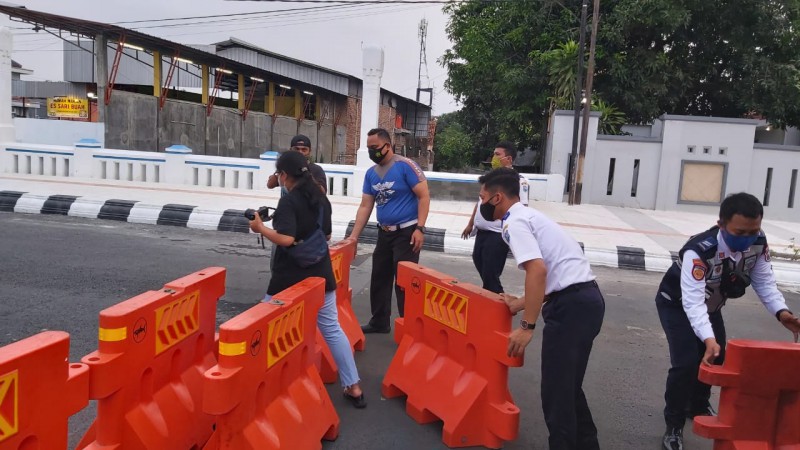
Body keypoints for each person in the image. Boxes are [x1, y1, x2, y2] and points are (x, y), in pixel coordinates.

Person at [655, 192, 800, 450]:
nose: (747, 238)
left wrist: (783, 313)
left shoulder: (758, 243)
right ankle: (673, 425)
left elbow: (764, 281)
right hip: (677, 306)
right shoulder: (699, 251)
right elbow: (692, 303)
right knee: (687, 363)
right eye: (740, 232)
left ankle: (697, 405)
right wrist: (707, 339)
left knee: (717, 357)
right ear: (721, 225)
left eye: (753, 231)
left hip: (710, 307)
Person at [482, 167, 605, 450]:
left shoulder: (514, 223)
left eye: (482, 198)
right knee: (568, 389)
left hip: (572, 308)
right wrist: (521, 303)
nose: (481, 205)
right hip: (586, 300)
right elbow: (554, 275)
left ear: (497, 197)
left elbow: (537, 271)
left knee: (557, 395)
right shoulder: (531, 216)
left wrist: (527, 326)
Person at [249, 150, 366, 408]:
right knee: (332, 329)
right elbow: (325, 235)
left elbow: (287, 240)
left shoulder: (289, 202)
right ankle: (354, 386)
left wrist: (261, 228)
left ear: (284, 175)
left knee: (263, 323)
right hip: (320, 271)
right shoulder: (321, 199)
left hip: (288, 275)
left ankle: (251, 383)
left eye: (279, 174)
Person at [344, 128, 430, 334]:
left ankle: (408, 326)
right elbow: (366, 205)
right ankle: (379, 321)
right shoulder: (371, 174)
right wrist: (354, 237)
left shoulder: (405, 166)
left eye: (375, 148)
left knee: (404, 281)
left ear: (387, 146)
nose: (372, 152)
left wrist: (420, 228)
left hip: (407, 232)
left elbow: (424, 196)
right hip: (384, 233)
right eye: (369, 149)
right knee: (380, 277)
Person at [461, 142, 530, 293]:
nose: (494, 157)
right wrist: (470, 223)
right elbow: (480, 202)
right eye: (494, 154)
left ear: (509, 158)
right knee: (479, 261)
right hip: (482, 232)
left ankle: (496, 300)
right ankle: (493, 295)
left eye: (498, 154)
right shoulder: (491, 178)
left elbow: (522, 208)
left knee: (490, 272)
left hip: (497, 234)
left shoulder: (518, 180)